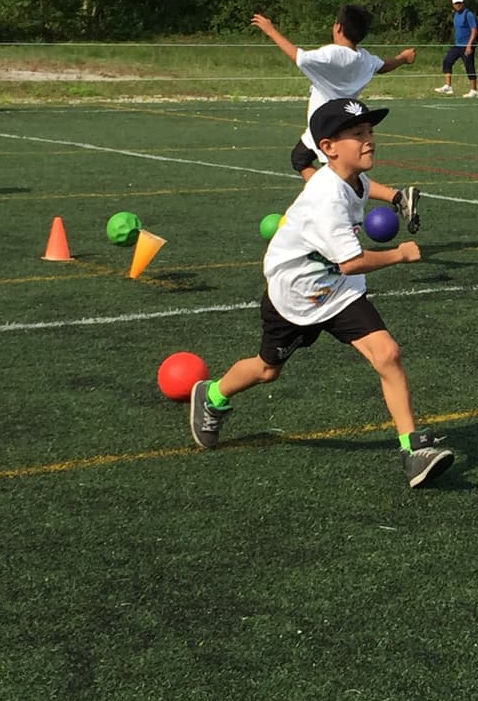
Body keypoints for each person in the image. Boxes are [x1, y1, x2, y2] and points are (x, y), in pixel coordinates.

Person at [188, 97, 455, 489]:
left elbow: (348, 256)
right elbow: (351, 262)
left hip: (338, 291)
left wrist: (397, 196)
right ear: (328, 148)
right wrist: (400, 253)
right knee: (266, 369)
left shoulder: (354, 180)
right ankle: (212, 395)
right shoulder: (325, 200)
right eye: (357, 135)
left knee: (388, 354)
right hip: (296, 296)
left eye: (370, 132)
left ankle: (413, 451)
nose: (369, 141)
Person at [251, 6, 422, 232]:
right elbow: (383, 66)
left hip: (328, 125)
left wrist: (270, 30)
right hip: (342, 121)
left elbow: (299, 58)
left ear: (338, 27)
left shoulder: (334, 53)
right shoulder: (363, 58)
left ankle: (354, 214)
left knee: (338, 177)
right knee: (300, 159)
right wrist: (402, 58)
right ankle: (392, 198)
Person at [435, 0, 478, 98]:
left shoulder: (468, 14)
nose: (458, 5)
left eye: (460, 2)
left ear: (463, 3)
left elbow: (474, 30)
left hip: (467, 45)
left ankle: (474, 90)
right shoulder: (455, 15)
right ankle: (448, 86)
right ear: (453, 4)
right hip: (457, 45)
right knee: (447, 61)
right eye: (456, 3)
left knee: (469, 66)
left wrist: (469, 45)